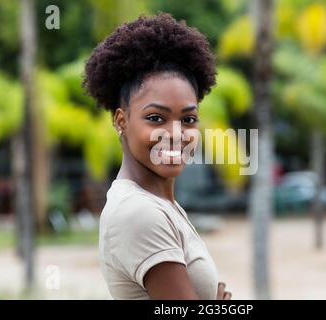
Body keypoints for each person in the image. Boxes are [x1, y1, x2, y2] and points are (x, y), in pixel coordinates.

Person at [83, 13, 232, 300]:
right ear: (121, 121)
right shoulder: (140, 213)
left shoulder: (161, 205)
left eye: (188, 120)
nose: (176, 133)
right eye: (156, 118)